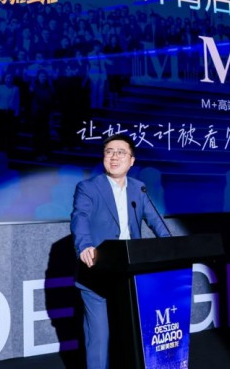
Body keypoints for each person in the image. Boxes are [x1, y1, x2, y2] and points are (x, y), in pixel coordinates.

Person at [70, 133, 172, 369]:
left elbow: (155, 221)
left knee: (133, 335)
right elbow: (79, 217)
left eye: (120, 152)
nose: (114, 157)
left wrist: (169, 245)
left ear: (132, 160)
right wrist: (84, 245)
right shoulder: (88, 187)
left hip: (131, 273)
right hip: (97, 271)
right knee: (99, 338)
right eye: (109, 152)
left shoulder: (139, 189)